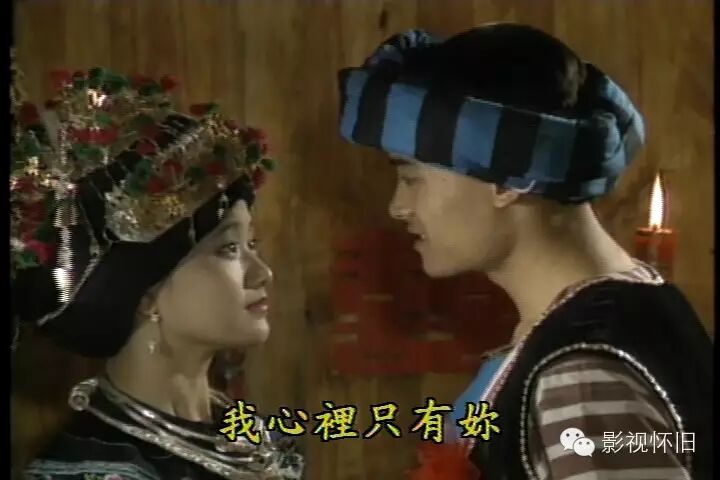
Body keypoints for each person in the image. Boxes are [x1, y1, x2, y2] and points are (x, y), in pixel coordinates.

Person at [337, 24, 712, 479]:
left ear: (506, 179)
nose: (398, 206)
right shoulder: (615, 311)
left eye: (412, 178)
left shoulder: (580, 376)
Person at [11, 64, 303, 480]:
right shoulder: (92, 471)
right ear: (144, 293)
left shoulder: (255, 441)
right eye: (229, 249)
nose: (262, 273)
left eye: (252, 245)